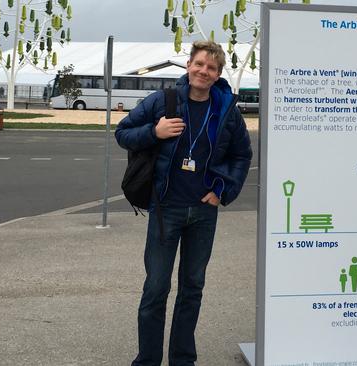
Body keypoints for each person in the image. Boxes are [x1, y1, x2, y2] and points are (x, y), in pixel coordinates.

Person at [115, 40, 252, 366]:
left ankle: (182, 360)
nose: (204, 71)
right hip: (167, 209)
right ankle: (147, 360)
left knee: (192, 288)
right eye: (199, 64)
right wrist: (155, 131)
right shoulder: (164, 101)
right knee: (156, 289)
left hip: (204, 212)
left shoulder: (226, 111)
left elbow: (241, 155)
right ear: (189, 65)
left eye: (212, 68)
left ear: (218, 74)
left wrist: (224, 190)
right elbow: (123, 132)